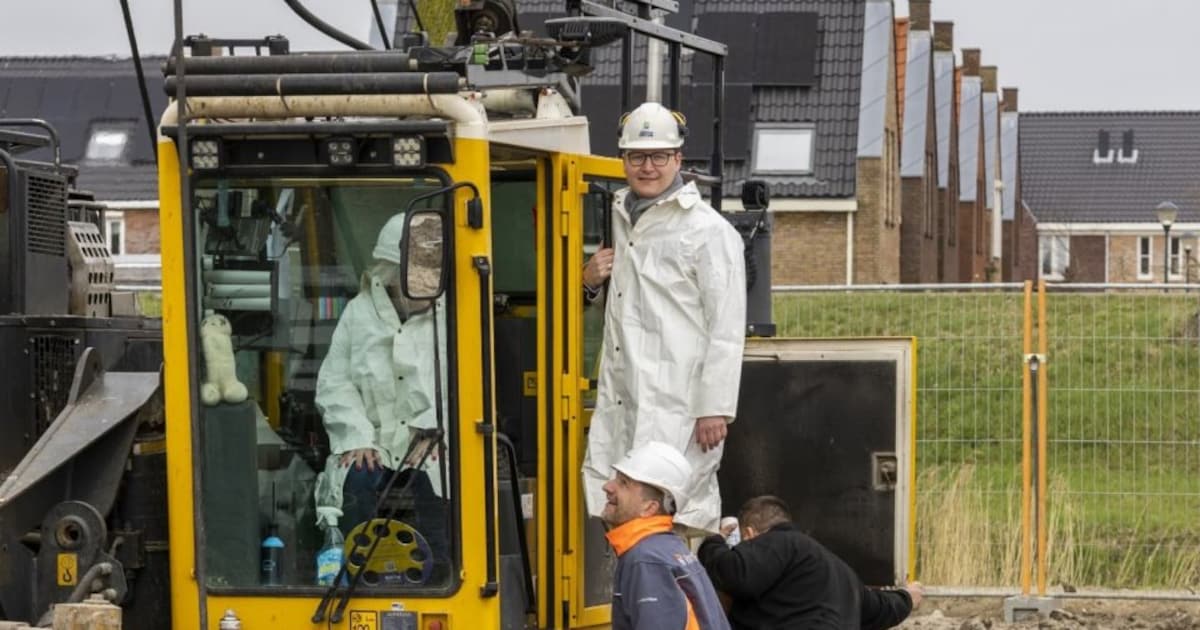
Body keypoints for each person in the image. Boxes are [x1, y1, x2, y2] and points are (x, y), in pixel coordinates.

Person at [582, 101, 747, 534]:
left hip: (680, 403)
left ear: (678, 159)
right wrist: (588, 281)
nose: (648, 167)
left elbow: (727, 326)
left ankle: (679, 601)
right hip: (626, 392)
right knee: (622, 516)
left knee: (674, 517)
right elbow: (618, 306)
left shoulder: (708, 231)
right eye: (637, 156)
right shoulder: (618, 218)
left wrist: (714, 407)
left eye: (658, 157)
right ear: (623, 161)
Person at [313, 212, 449, 574]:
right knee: (357, 482)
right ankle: (358, 576)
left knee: (438, 494)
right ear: (391, 274)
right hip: (372, 443)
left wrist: (434, 428)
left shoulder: (455, 316)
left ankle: (438, 576)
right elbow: (335, 382)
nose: (427, 280)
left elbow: (467, 383)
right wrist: (358, 436)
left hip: (433, 445)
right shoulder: (358, 314)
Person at [697, 496, 922, 630]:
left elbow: (734, 575)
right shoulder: (842, 572)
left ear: (750, 533)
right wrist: (907, 596)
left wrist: (713, 542)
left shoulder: (778, 543)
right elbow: (881, 609)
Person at [601, 441, 731, 630]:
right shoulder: (667, 548)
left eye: (624, 483)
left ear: (649, 508)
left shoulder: (647, 560)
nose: (608, 486)